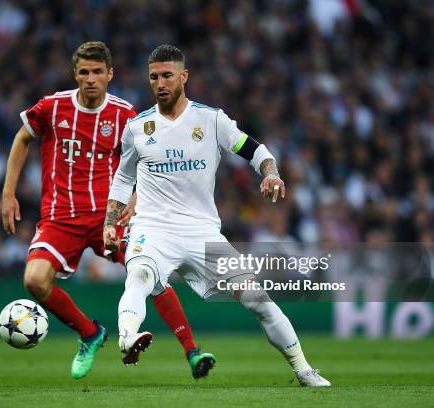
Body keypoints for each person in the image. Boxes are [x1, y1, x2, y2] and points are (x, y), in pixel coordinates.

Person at [104, 44, 331, 387]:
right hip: (153, 228)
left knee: (258, 299)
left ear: (184, 76)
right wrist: (110, 221)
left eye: (167, 75)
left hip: (202, 233)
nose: (160, 83)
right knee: (139, 275)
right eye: (154, 77)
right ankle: (127, 337)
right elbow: (123, 178)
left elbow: (256, 150)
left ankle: (303, 369)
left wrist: (270, 173)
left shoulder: (211, 120)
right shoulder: (138, 128)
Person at [1, 41, 214, 380]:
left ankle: (192, 350)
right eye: (84, 72)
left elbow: (147, 162)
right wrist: (8, 193)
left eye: (97, 72)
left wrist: (133, 202)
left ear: (109, 74)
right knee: (34, 280)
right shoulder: (52, 107)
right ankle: (90, 334)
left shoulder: (125, 114)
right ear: (75, 74)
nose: (90, 79)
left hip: (109, 218)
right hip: (61, 217)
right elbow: (21, 139)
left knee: (151, 273)